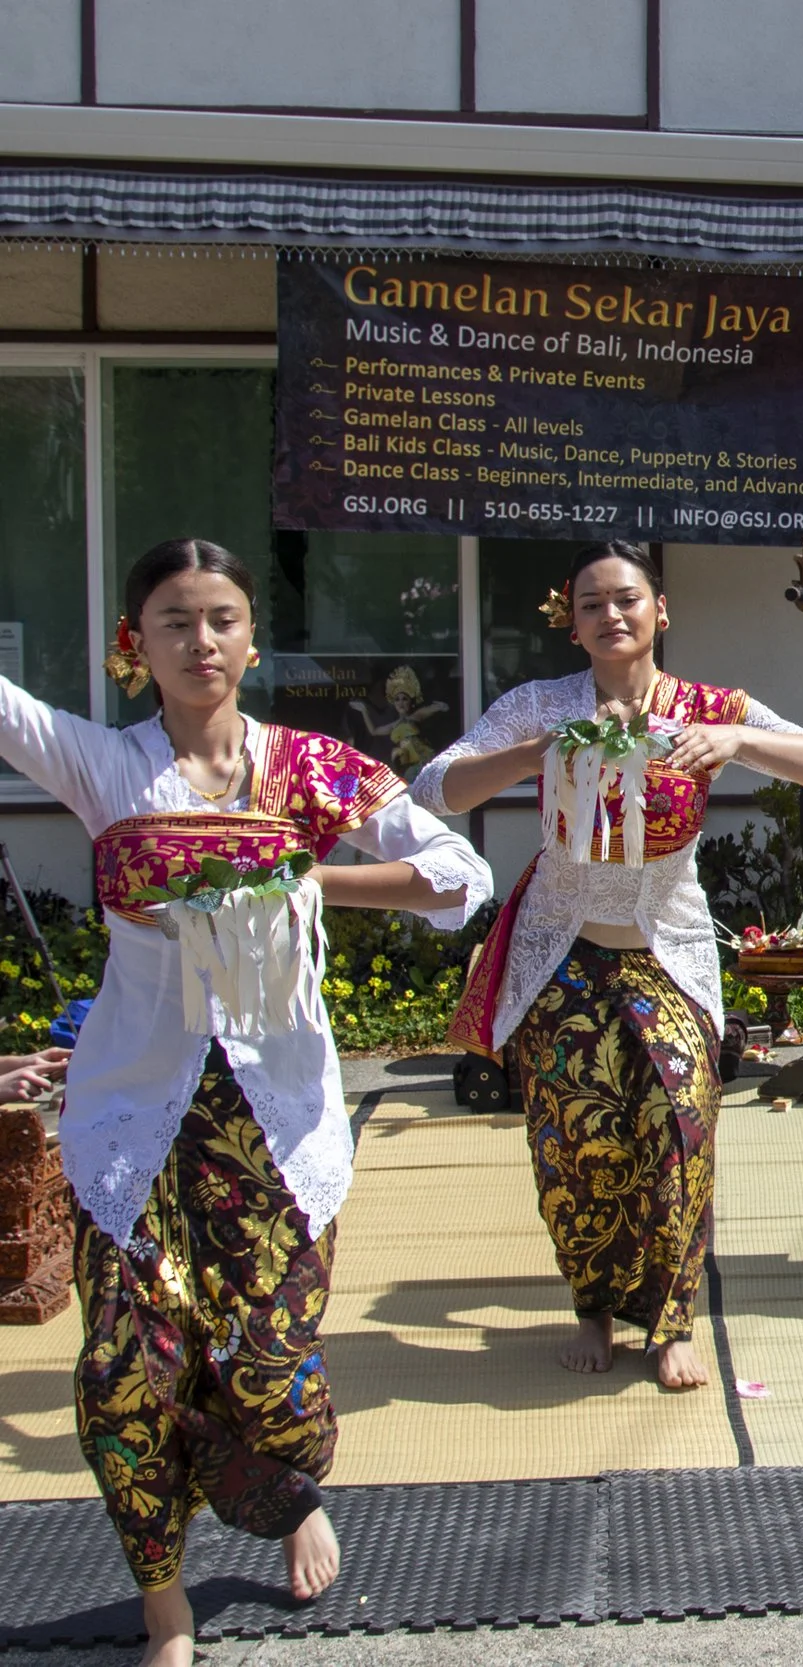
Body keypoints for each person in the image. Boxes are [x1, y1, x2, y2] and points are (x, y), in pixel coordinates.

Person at [20, 538, 489, 1667]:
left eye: (221, 617)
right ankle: (165, 1598)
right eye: (174, 620)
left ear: (250, 638)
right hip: (135, 1117)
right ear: (137, 645)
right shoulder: (104, 764)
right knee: (125, 1363)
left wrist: (308, 874)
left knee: (269, 1360)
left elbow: (457, 877)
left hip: (272, 1120)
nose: (201, 639)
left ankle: (286, 1493)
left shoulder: (313, 770)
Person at [416, 542, 803, 1386]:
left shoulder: (705, 706)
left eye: (627, 600)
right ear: (571, 623)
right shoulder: (542, 705)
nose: (611, 616)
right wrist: (539, 751)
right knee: (580, 1138)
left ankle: (671, 1318)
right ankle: (592, 1306)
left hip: (666, 949)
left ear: (661, 610)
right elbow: (438, 786)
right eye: (591, 605)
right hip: (563, 948)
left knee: (682, 1118)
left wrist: (735, 739)